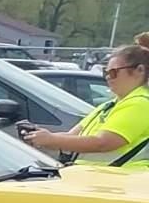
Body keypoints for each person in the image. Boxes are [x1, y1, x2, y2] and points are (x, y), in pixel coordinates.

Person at [19, 36, 149, 165]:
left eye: (114, 72)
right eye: (106, 72)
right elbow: (72, 136)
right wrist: (41, 138)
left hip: (120, 180)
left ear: (139, 71)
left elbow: (102, 143)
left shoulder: (140, 104)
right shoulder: (111, 105)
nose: (108, 78)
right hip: (100, 178)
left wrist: (51, 139)